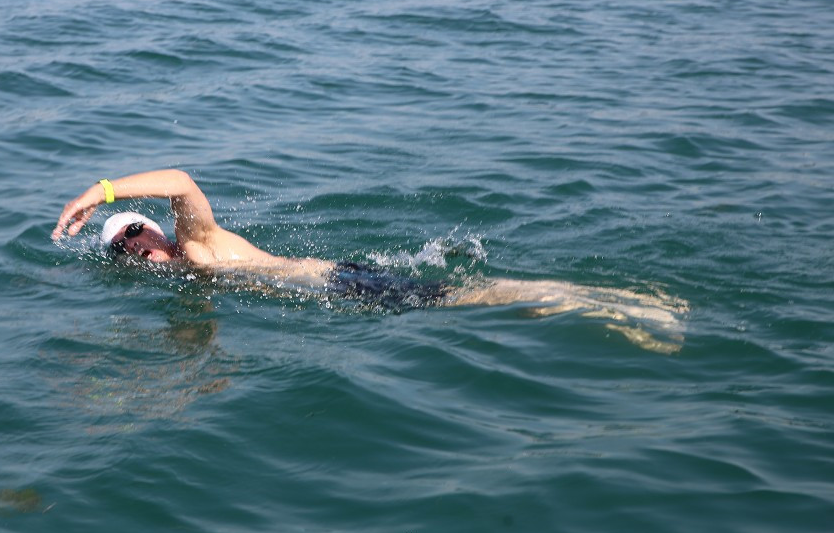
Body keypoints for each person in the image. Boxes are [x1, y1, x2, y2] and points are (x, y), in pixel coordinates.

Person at [52, 169, 688, 351]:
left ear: (150, 228)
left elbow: (184, 182)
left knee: (484, 298)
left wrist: (101, 193)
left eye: (134, 233)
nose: (134, 248)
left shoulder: (195, 245)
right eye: (121, 248)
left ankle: (628, 307)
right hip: (343, 294)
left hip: (343, 284)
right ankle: (611, 309)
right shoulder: (180, 276)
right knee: (496, 309)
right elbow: (199, 345)